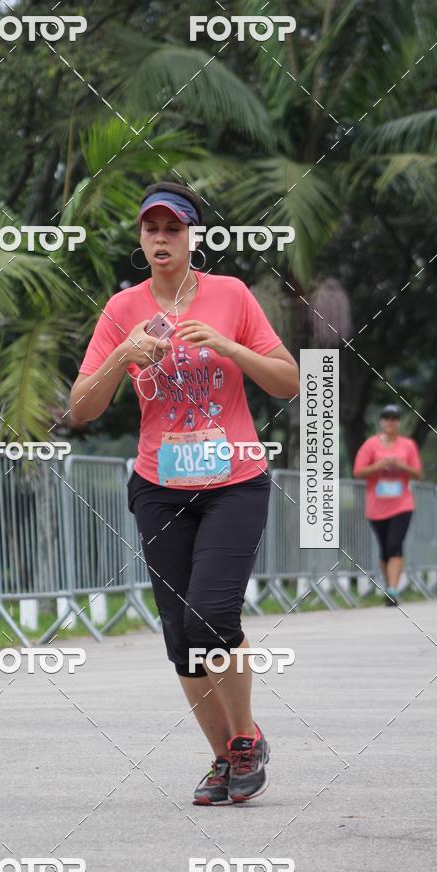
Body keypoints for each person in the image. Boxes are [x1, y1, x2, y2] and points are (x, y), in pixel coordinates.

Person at [70, 182, 299, 805]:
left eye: (174, 228)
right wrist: (122, 354)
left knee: (211, 612)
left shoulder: (231, 295)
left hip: (235, 481)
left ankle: (245, 738)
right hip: (160, 488)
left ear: (193, 236)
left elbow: (289, 382)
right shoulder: (122, 308)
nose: (162, 238)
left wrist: (227, 346)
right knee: (181, 636)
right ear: (141, 239)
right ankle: (226, 758)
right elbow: (81, 407)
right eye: (152, 229)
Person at [353, 404, 422, 606]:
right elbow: (358, 471)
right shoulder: (370, 445)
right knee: (385, 549)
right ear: (381, 421)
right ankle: (388, 584)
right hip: (377, 507)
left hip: (402, 504)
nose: (390, 421)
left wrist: (401, 466)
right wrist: (379, 466)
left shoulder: (407, 445)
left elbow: (417, 473)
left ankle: (392, 591)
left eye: (395, 417)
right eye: (386, 417)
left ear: (399, 422)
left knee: (395, 544)